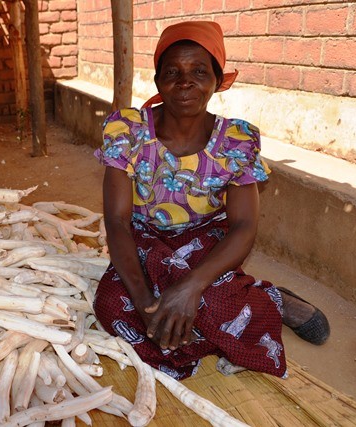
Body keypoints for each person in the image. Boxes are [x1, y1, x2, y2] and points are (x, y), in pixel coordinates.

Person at [93, 21, 330, 380]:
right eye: (172, 72)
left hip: (202, 246)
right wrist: (143, 301)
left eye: (199, 72)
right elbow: (116, 222)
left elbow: (244, 226)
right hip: (143, 242)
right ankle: (215, 302)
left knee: (210, 305)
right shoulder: (127, 131)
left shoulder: (236, 140)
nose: (185, 82)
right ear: (158, 81)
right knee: (112, 306)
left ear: (217, 81)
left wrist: (190, 287)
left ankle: (274, 299)